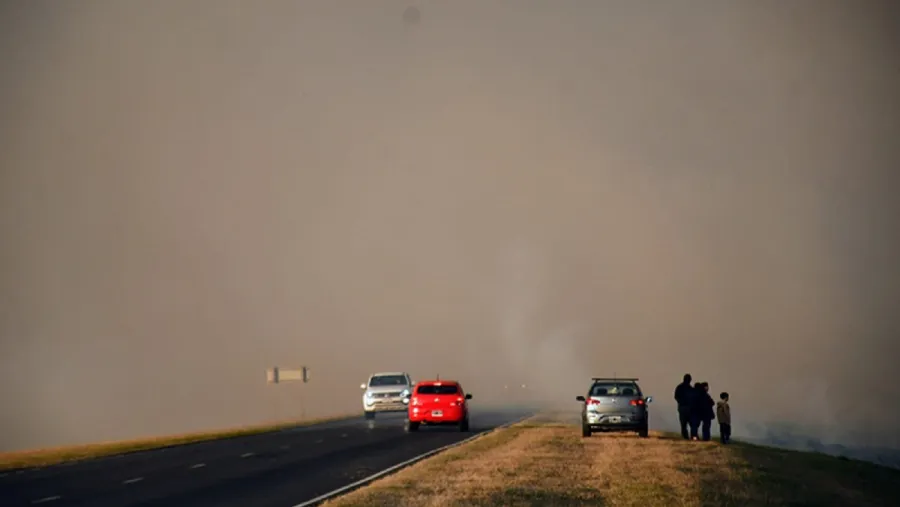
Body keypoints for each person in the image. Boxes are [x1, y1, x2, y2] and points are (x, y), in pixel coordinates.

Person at [673, 373, 694, 439]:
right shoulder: (690, 388)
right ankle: (692, 436)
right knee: (690, 423)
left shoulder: (680, 387)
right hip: (687, 408)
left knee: (684, 424)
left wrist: (681, 402)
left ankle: (686, 436)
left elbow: (676, 396)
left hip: (683, 408)